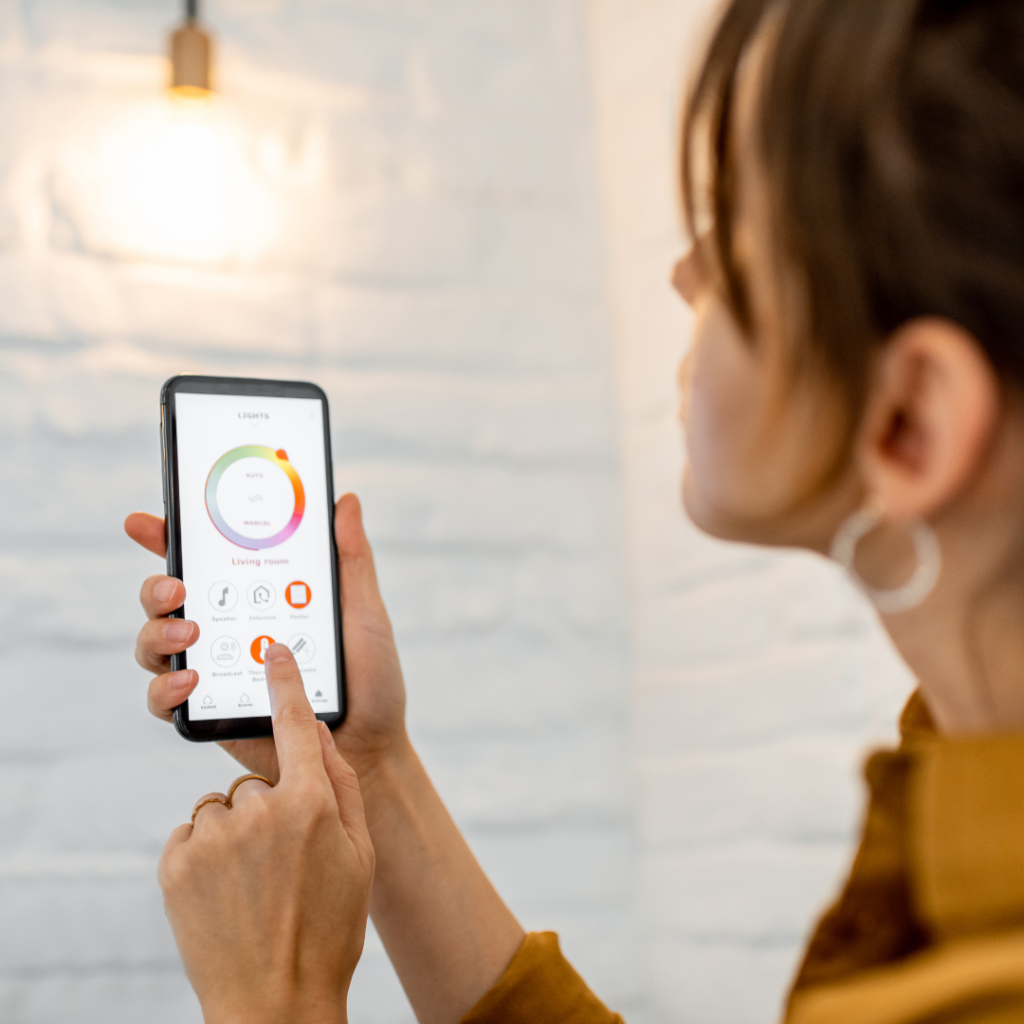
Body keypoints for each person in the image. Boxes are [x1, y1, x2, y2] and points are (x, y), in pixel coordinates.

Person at [127, 0, 1024, 1020]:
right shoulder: (955, 756)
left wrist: (273, 995)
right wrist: (369, 765)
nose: (683, 271)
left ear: (910, 421)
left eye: (733, 228)